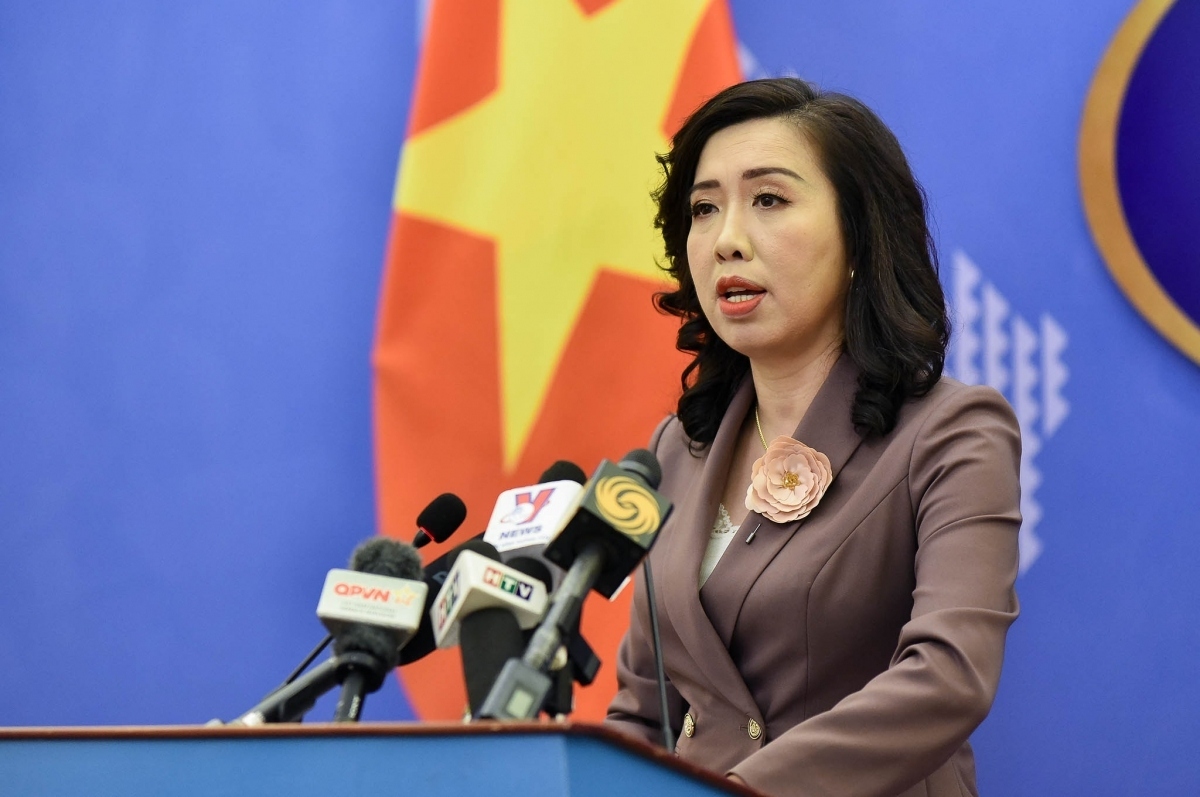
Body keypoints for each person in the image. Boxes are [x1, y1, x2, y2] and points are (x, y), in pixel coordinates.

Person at [605, 78, 1021, 797]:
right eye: (705, 209)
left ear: (859, 238)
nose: (728, 240)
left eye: (769, 200)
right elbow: (646, 709)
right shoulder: (676, 449)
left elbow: (949, 677)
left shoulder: (951, 434)